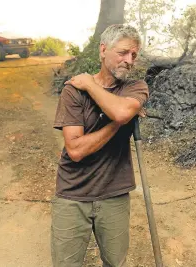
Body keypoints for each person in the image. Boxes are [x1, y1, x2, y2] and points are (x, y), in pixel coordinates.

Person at [51, 24, 149, 267]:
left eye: (134, 55)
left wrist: (92, 87)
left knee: (115, 263)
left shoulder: (135, 87)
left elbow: (121, 112)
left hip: (114, 193)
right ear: (103, 50)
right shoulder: (74, 91)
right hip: (73, 192)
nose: (129, 60)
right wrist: (120, 122)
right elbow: (75, 150)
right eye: (123, 52)